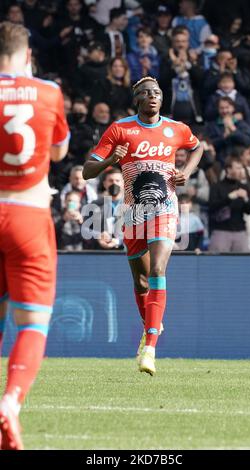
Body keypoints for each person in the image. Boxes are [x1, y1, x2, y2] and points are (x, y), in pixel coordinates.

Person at [83, 76, 203, 375]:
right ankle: (150, 326)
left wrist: (186, 170)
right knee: (141, 282)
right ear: (136, 99)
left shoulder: (176, 129)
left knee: (158, 270)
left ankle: (149, 348)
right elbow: (87, 171)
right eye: (146, 93)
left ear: (162, 98)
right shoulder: (120, 129)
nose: (152, 96)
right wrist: (112, 159)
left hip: (165, 208)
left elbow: (198, 147)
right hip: (132, 213)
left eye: (157, 93)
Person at [0, 21, 69, 449]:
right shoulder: (49, 91)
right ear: (27, 55)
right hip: (28, 213)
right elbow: (60, 151)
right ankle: (9, 404)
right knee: (33, 323)